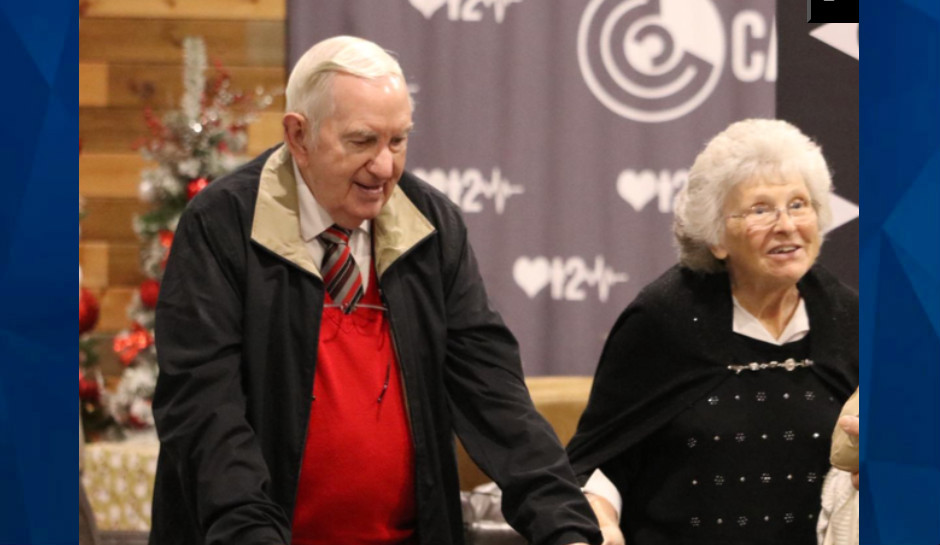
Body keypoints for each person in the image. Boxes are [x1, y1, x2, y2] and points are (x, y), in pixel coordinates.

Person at [149, 35, 601, 545]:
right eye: (362, 141)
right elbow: (205, 411)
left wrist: (567, 528)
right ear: (298, 136)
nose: (385, 167)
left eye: (398, 141)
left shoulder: (432, 226)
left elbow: (494, 395)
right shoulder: (222, 225)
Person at [566, 119, 859, 545]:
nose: (786, 225)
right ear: (716, 237)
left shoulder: (848, 318)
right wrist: (600, 520)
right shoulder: (664, 320)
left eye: (799, 204)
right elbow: (602, 459)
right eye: (760, 210)